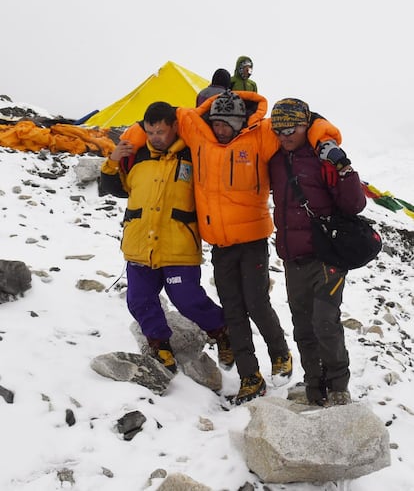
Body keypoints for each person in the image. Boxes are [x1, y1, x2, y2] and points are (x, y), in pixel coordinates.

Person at [121, 90, 343, 405]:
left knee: (256, 302)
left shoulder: (260, 135)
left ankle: (280, 352)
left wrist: (327, 141)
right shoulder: (199, 133)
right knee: (234, 311)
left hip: (252, 240)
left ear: (241, 122)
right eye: (217, 122)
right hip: (220, 244)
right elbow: (156, 115)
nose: (221, 129)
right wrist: (129, 146)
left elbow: (308, 120)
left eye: (228, 123)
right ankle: (250, 376)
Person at [100, 102, 234, 374]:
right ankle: (160, 344)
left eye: (160, 131)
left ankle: (222, 332)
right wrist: (112, 161)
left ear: (174, 126)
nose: (155, 138)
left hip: (178, 245)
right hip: (140, 246)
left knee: (187, 299)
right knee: (139, 300)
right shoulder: (135, 156)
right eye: (149, 132)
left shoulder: (193, 154)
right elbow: (113, 189)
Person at [269, 98, 367, 406]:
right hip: (292, 257)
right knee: (303, 326)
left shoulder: (322, 155)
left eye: (291, 129)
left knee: (325, 321)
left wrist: (342, 165)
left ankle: (338, 385)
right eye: (278, 129)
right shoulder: (273, 159)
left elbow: (355, 204)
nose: (284, 136)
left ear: (305, 126)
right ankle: (314, 384)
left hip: (327, 256)